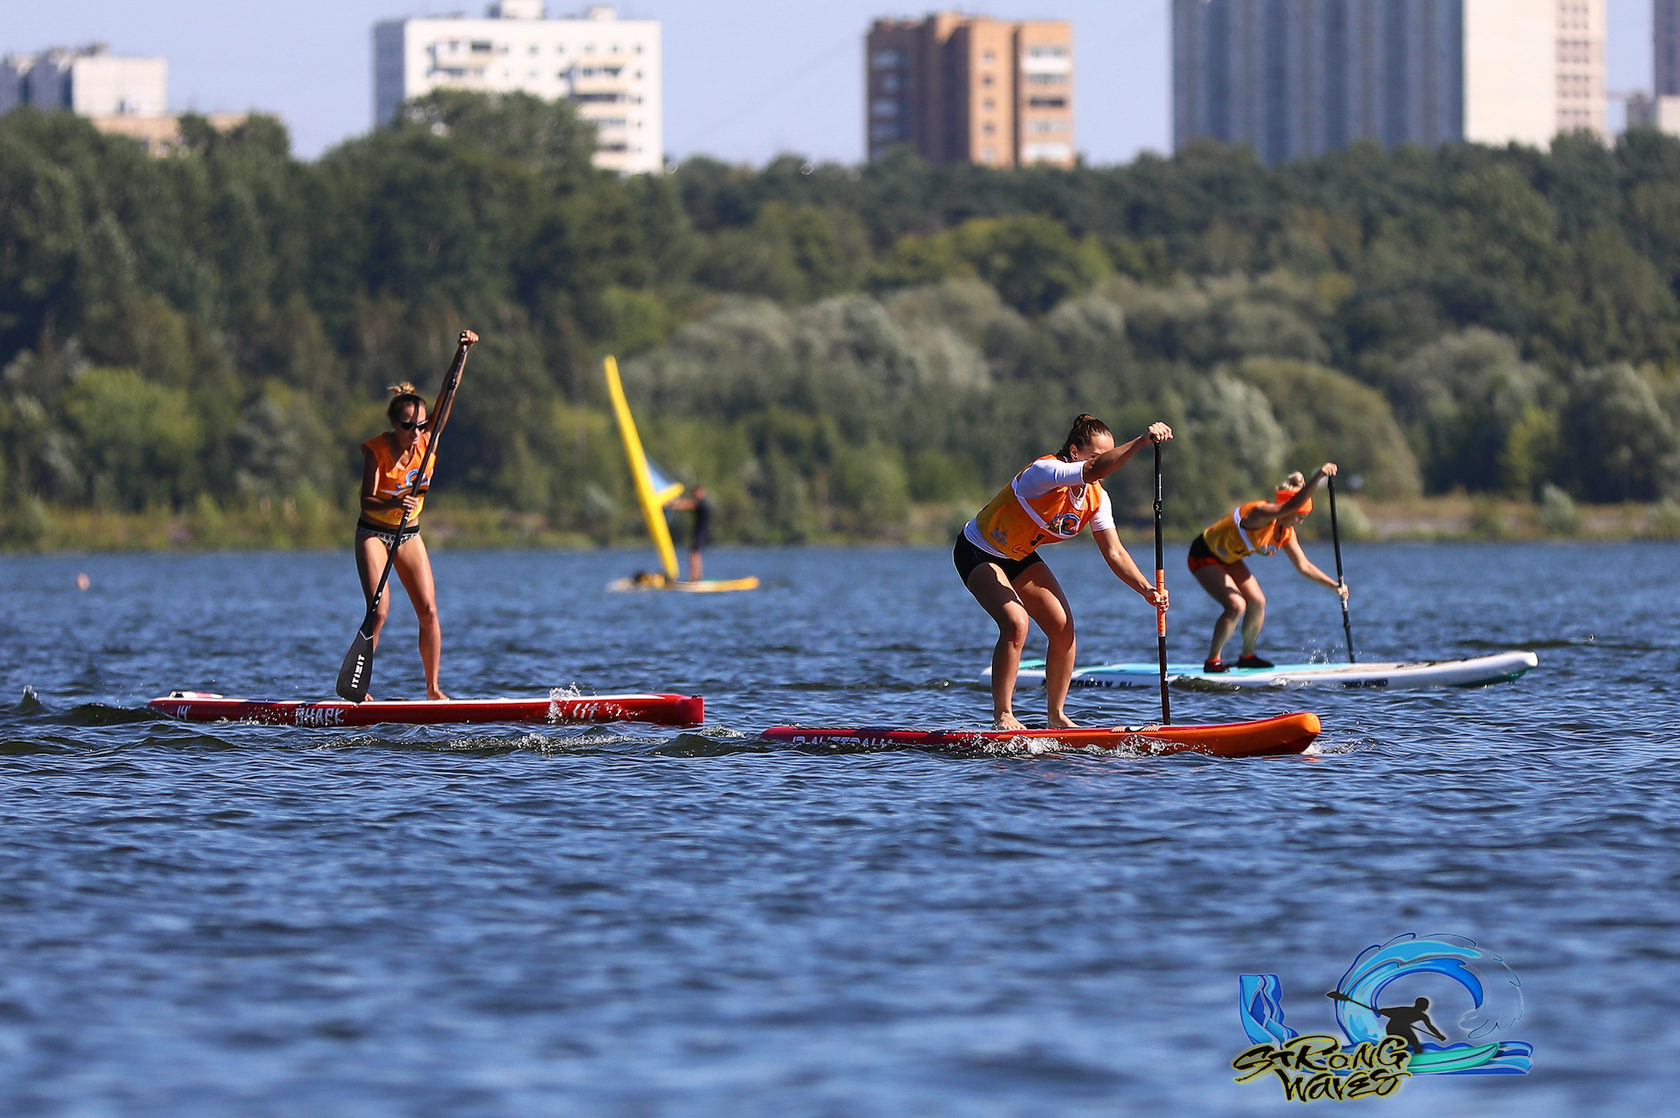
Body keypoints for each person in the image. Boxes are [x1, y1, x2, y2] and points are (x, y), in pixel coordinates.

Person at [956, 413, 1173, 731]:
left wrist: (1147, 590)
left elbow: (1114, 552)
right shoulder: (1045, 471)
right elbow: (1095, 470)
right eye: (1100, 455)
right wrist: (1142, 441)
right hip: (977, 550)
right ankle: (1003, 714)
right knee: (1017, 623)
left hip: (1018, 555)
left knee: (1063, 629)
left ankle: (1056, 717)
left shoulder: (1097, 500)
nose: (1107, 464)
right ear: (1074, 452)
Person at [354, 373, 464, 700]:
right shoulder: (378, 450)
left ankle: (433, 689)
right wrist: (394, 501)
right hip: (373, 533)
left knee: (429, 610)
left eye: (420, 425)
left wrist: (462, 352)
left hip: (409, 534)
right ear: (394, 424)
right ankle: (359, 689)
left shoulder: (428, 441)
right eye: (407, 426)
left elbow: (447, 395)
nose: (415, 433)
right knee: (380, 610)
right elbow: (367, 499)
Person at [1187, 464, 1349, 673]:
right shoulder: (1261, 513)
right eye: (1299, 516)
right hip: (1203, 554)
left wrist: (1334, 586)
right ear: (1288, 508)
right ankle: (1213, 661)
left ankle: (1247, 656)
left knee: (1257, 601)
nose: (1300, 521)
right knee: (1236, 605)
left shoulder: (1286, 532)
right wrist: (1318, 475)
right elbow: (1288, 507)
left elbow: (1304, 566)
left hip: (1229, 558)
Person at [669, 485, 711, 582]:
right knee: (695, 553)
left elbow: (687, 505)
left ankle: (695, 577)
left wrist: (672, 504)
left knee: (694, 554)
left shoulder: (701, 503)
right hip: (700, 532)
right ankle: (697, 576)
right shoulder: (701, 503)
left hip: (702, 532)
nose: (697, 495)